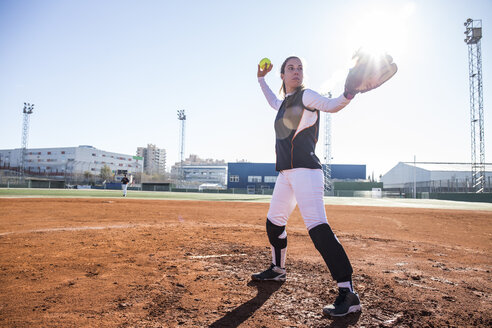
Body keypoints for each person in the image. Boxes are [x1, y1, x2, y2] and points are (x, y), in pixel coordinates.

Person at [251, 56, 361, 317]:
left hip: (306, 172)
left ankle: (348, 292)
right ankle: (278, 270)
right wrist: (259, 79)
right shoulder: (284, 104)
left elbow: (333, 105)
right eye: (291, 68)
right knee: (274, 223)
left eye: (300, 68)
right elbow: (272, 100)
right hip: (286, 174)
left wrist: (349, 93)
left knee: (318, 229)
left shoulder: (306, 96)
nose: (296, 71)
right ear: (282, 75)